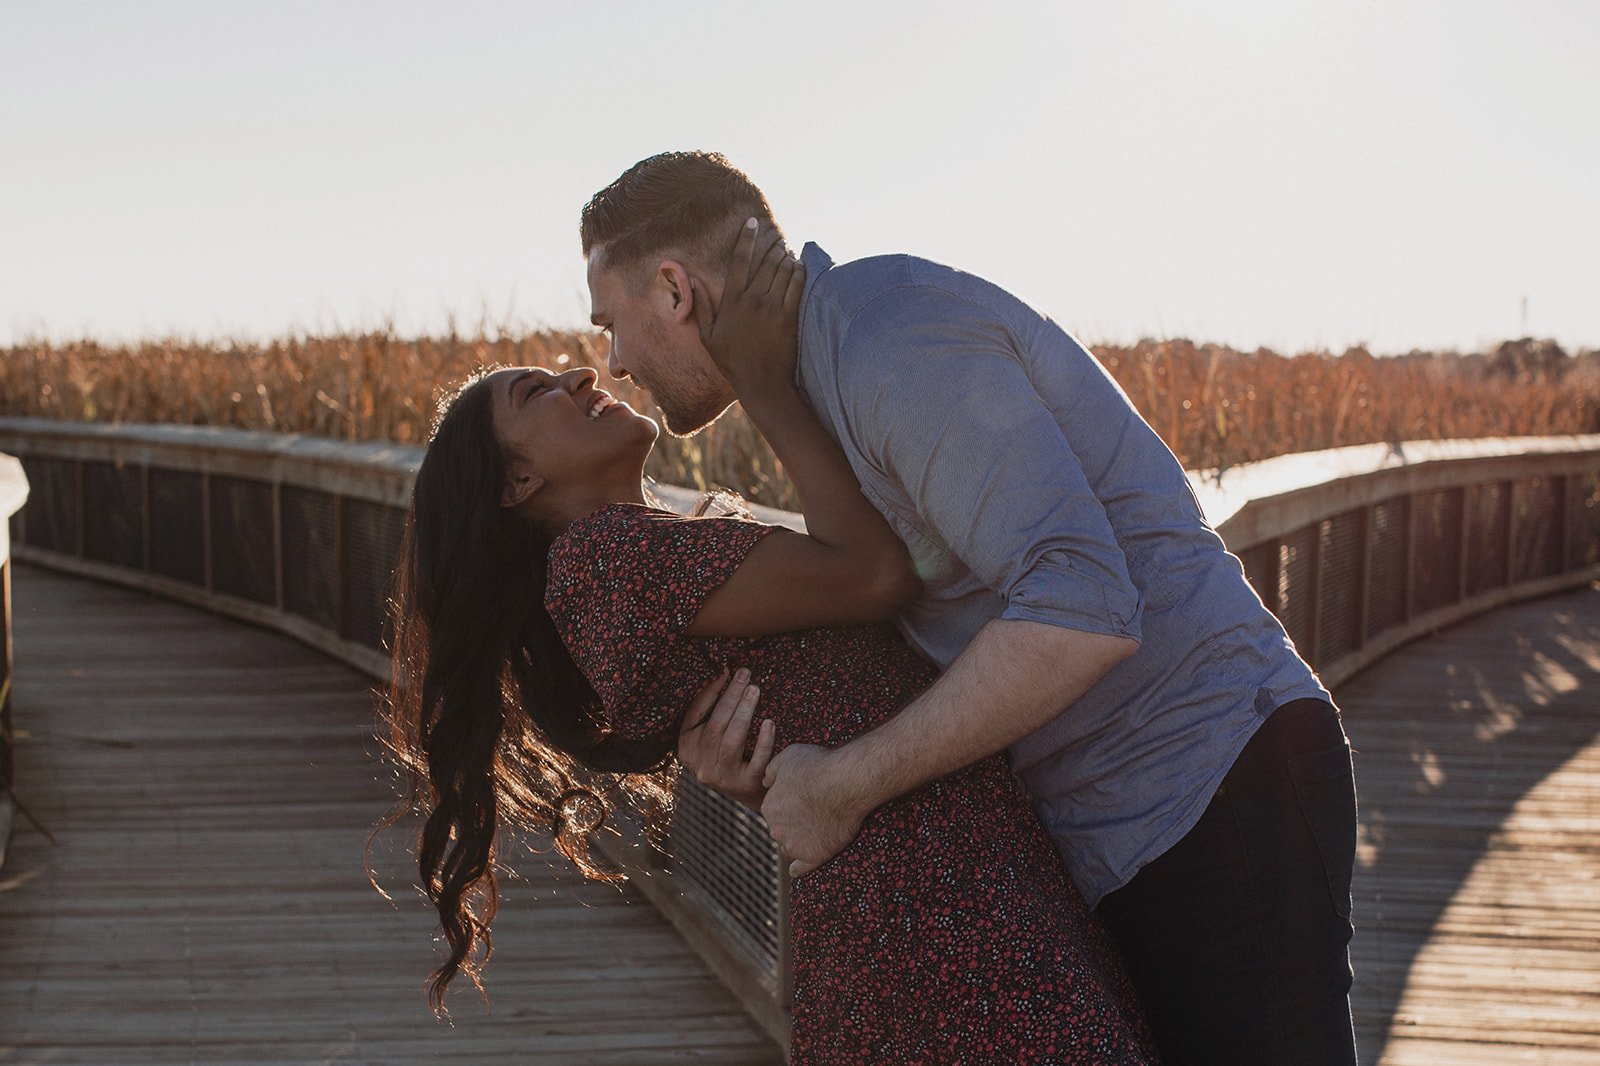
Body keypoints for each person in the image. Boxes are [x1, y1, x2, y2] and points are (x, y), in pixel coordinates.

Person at [580, 151, 1359, 1065]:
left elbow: (1084, 609)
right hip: (1111, 832)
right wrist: (760, 755)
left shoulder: (889, 340)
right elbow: (899, 608)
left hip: (1210, 792)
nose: (615, 362)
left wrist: (845, 784)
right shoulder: (818, 377)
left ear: (673, 289)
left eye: (611, 325)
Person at [381, 226, 1158, 1062]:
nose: (580, 373)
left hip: (923, 887)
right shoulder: (607, 559)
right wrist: (761, 377)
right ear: (520, 481)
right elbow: (873, 576)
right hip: (927, 906)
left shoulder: (641, 549)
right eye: (538, 393)